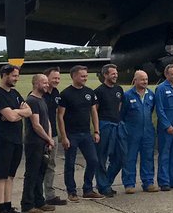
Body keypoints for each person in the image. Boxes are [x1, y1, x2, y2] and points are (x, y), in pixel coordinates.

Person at [0, 63, 32, 213]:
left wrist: (15, 112)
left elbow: (28, 111)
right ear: (5, 75)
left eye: (17, 76)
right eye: (14, 76)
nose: (16, 79)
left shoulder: (14, 93)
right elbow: (13, 117)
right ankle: (0, 212)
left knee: (10, 176)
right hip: (3, 141)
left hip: (16, 139)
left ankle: (8, 207)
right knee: (1, 176)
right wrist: (16, 113)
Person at [58, 64, 100, 200]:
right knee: (70, 163)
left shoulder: (89, 92)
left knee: (93, 160)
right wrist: (63, 136)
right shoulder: (65, 94)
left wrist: (96, 131)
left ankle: (88, 189)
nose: (85, 78)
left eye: (86, 76)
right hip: (71, 134)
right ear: (74, 76)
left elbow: (93, 111)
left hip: (86, 133)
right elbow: (60, 116)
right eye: (82, 76)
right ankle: (71, 191)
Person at [21, 72, 55, 213]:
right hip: (34, 143)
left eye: (47, 82)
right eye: (44, 82)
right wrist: (48, 138)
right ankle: (27, 204)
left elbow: (46, 121)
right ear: (36, 84)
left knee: (40, 173)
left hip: (43, 142)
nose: (47, 85)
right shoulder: (32, 101)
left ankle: (39, 201)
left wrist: (50, 138)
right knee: (32, 174)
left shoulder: (42, 100)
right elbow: (36, 125)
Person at [121, 69, 157, 192]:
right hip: (132, 132)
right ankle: (129, 184)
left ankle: (148, 182)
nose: (145, 81)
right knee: (130, 158)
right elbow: (122, 114)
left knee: (148, 157)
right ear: (135, 80)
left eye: (146, 79)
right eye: (142, 79)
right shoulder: (127, 95)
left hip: (147, 132)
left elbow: (150, 110)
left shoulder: (151, 95)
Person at [94, 64, 124, 197]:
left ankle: (107, 182)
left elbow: (119, 106)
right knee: (102, 156)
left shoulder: (119, 89)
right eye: (113, 74)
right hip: (104, 124)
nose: (115, 76)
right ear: (105, 75)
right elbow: (95, 110)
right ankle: (102, 186)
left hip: (117, 125)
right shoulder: (99, 91)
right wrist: (97, 129)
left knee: (120, 156)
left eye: (116, 73)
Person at [41, 67, 68, 205]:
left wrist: (62, 135)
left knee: (51, 165)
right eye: (54, 78)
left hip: (54, 135)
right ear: (46, 78)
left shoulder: (57, 93)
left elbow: (59, 115)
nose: (56, 80)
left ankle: (50, 195)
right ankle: (38, 196)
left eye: (58, 78)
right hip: (41, 135)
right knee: (40, 166)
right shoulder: (39, 94)